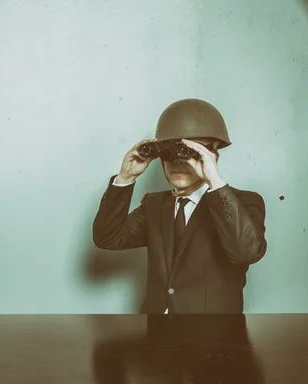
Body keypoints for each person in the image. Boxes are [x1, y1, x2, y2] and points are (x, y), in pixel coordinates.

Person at [92, 98, 267, 314]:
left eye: (191, 153)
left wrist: (215, 181)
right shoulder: (154, 205)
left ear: (214, 156)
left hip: (215, 337)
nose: (178, 162)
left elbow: (246, 253)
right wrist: (125, 177)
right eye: (168, 154)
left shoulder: (244, 202)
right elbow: (108, 238)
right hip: (158, 335)